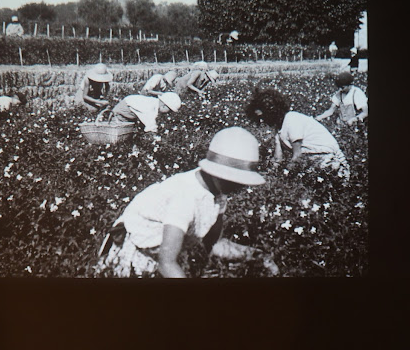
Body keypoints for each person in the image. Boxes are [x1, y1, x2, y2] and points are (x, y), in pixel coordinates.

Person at [95, 127, 279, 278]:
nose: (239, 187)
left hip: (163, 256)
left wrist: (255, 255)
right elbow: (167, 263)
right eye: (234, 180)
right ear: (216, 173)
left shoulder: (218, 192)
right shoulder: (185, 197)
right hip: (137, 254)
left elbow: (213, 244)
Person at [245, 88, 350, 181]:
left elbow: (297, 156)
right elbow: (278, 159)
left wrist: (283, 176)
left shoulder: (291, 120)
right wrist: (266, 176)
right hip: (314, 165)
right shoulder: (278, 128)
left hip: (331, 163)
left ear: (271, 111)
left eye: (262, 117)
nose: (262, 121)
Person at [110, 92, 181, 133]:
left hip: (129, 111)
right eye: (169, 110)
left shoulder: (155, 103)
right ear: (164, 106)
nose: (168, 113)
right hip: (122, 112)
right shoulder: (149, 107)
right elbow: (150, 125)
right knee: (120, 132)